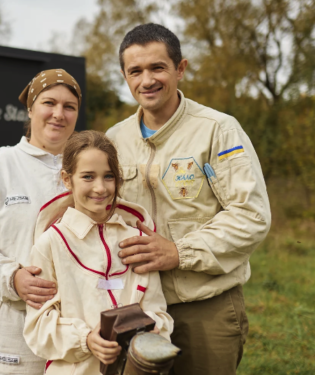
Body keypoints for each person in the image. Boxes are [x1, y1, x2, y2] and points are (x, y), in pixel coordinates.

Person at [106, 23, 272, 375]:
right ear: (124, 75)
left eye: (158, 68)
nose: (146, 80)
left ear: (180, 69)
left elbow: (252, 215)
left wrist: (179, 252)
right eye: (135, 71)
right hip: (135, 305)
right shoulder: (114, 139)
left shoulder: (218, 130)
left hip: (204, 306)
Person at [0, 69, 83, 375]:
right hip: (13, 327)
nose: (58, 114)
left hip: (75, 325)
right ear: (31, 107)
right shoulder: (0, 167)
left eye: (69, 107)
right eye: (49, 103)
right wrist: (12, 278)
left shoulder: (86, 168)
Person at [23, 130, 174, 375]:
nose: (100, 188)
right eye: (88, 177)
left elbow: (159, 311)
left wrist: (152, 329)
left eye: (108, 176)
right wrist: (85, 339)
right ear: (67, 179)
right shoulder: (50, 243)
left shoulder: (137, 240)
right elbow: (38, 327)